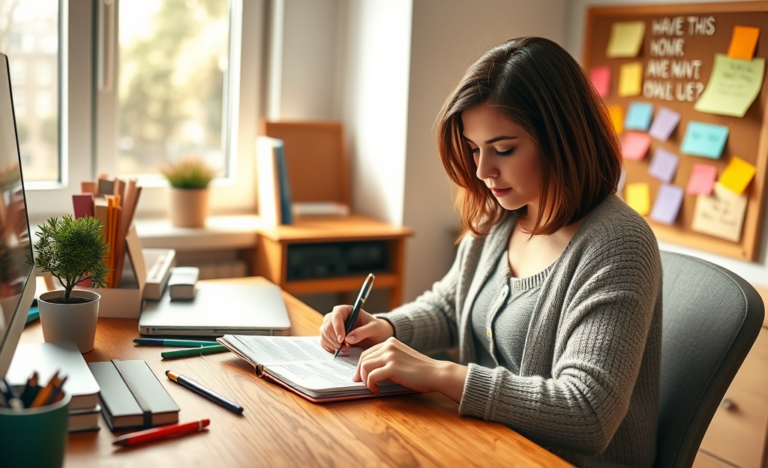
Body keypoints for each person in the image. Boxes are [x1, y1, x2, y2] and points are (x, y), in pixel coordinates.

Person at [319, 37, 661, 467]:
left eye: (503, 149)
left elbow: (587, 412)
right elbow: (451, 306)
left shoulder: (619, 244)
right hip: (483, 446)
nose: (483, 171)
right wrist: (384, 328)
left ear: (563, 138)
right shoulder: (502, 213)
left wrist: (442, 375)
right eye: (474, 149)